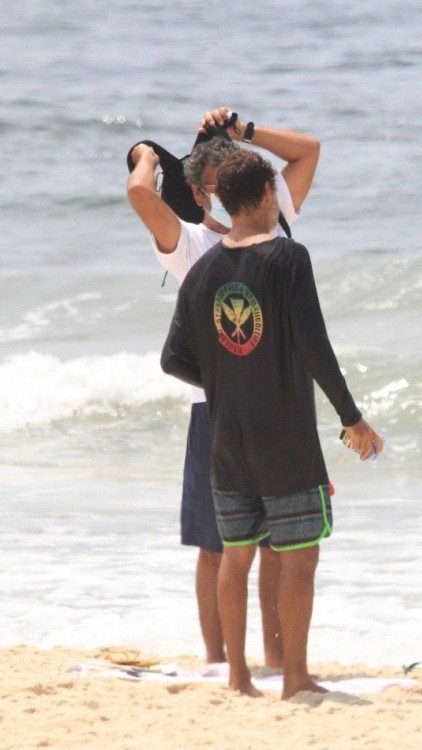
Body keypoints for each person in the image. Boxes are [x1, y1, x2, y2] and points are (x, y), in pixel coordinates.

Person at [160, 150, 382, 698]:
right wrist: (351, 418)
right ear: (263, 195)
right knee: (298, 557)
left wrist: (226, 379)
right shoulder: (289, 258)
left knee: (235, 559)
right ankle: (295, 678)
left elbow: (173, 358)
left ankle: (238, 677)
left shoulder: (203, 269)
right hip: (285, 438)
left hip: (227, 438)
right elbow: (314, 345)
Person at [126, 106, 318, 667]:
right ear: (197, 193)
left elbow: (308, 150)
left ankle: (276, 656)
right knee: (219, 546)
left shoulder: (271, 217)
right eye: (211, 188)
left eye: (229, 183)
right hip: (215, 411)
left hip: (282, 404)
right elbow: (141, 195)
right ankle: (217, 659)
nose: (226, 199)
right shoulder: (187, 244)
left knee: (278, 544)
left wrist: (245, 130)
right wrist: (145, 154)